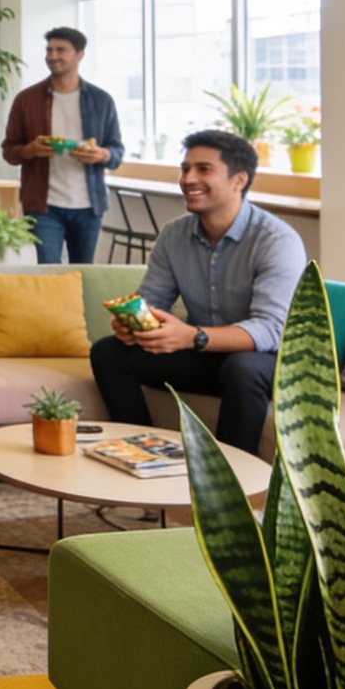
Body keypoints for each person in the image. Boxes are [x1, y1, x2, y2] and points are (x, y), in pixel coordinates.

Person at [89, 130, 307, 455]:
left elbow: (271, 330)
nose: (188, 179)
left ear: (238, 180)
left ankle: (230, 478)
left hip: (267, 361)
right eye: (185, 168)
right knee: (109, 352)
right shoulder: (174, 235)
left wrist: (193, 337)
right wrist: (134, 324)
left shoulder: (276, 241)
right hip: (205, 354)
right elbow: (152, 299)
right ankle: (144, 452)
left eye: (203, 169)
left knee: (243, 368)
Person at [0, 26, 126, 264]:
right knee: (48, 274)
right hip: (43, 207)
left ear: (80, 55)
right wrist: (30, 150)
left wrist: (102, 154)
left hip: (89, 206)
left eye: (60, 50)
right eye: (49, 50)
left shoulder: (101, 100)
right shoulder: (27, 100)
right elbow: (9, 151)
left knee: (83, 273)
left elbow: (117, 152)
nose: (52, 56)